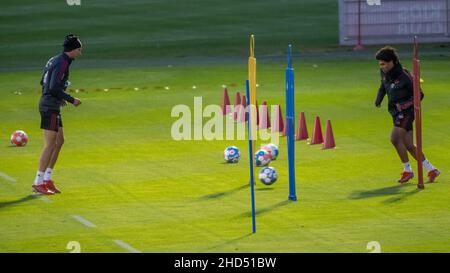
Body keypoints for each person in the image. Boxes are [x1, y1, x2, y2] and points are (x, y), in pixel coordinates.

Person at [374, 46, 439, 184]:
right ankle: (432, 169)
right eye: (380, 64)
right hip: (395, 112)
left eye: (384, 64)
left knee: (395, 138)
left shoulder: (405, 76)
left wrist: (405, 105)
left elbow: (419, 94)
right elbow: (383, 86)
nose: (382, 67)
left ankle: (407, 171)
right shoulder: (384, 73)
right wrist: (378, 99)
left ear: (392, 62)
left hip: (406, 113)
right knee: (409, 144)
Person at [32, 34, 83, 195]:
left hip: (51, 104)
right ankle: (38, 182)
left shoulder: (55, 59)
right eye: (79, 49)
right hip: (49, 107)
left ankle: (47, 178)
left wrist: (59, 98)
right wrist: (70, 99)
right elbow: (53, 87)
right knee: (50, 144)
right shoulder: (62, 63)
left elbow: (43, 82)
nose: (80, 53)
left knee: (60, 141)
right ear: (73, 50)